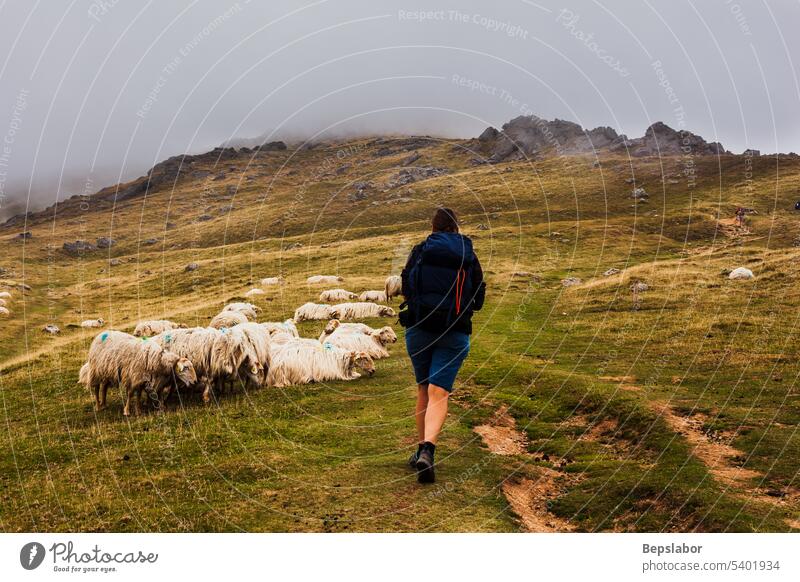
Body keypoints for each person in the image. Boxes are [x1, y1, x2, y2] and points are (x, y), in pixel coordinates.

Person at [399, 208, 485, 483]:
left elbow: (406, 286)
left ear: (432, 227)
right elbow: (479, 298)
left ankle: (419, 451)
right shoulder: (467, 255)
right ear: (456, 228)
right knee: (440, 392)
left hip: (420, 329)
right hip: (455, 332)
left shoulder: (420, 250)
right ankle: (428, 451)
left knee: (424, 388)